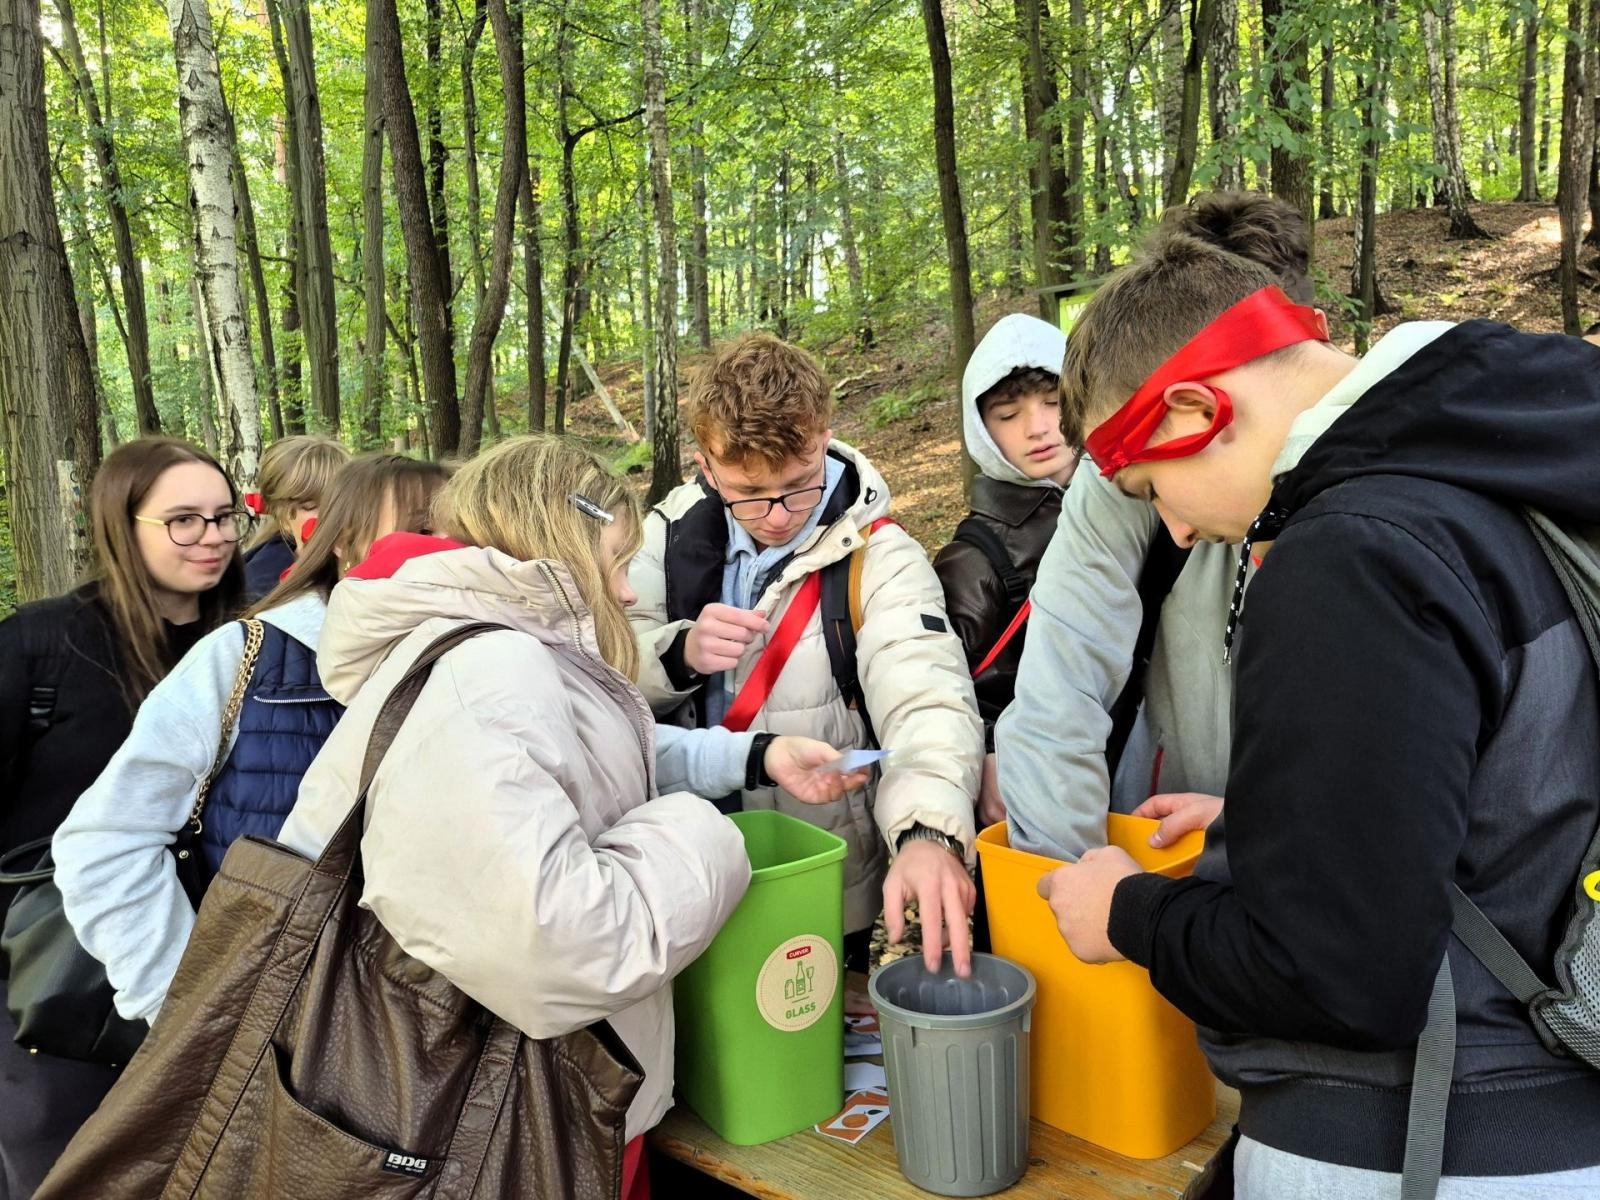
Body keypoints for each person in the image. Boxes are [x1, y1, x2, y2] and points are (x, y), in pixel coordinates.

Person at [1038, 224, 1600, 1194]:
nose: (1173, 528)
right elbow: (1525, 774)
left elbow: (1333, 976)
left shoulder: (1348, 555)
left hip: (1419, 1139)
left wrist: (1125, 912)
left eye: (1149, 489)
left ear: (1187, 410)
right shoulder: (1503, 474)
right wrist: (1282, 818)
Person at [274, 437, 867, 1197]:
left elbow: (582, 759)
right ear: (564, 543)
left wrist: (754, 758)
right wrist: (705, 835)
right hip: (519, 1119)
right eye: (616, 563)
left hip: (519, 1096)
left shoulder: (493, 648)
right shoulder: (492, 673)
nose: (625, 595)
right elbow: (565, 942)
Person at [628, 332, 984, 977]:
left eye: (798, 485)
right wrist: (676, 653)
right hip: (686, 862)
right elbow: (606, 682)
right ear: (706, 465)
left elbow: (925, 692)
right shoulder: (662, 539)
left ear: (823, 438)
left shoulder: (880, 555)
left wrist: (929, 832)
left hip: (821, 865)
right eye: (747, 492)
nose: (777, 515)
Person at [54, 454, 449, 1027]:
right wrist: (186, 1010)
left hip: (431, 1039)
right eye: (420, 527)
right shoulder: (245, 656)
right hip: (270, 1032)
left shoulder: (483, 666)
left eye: (461, 530)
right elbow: (107, 842)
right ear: (342, 540)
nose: (449, 547)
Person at [997, 192, 1314, 860]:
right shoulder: (1119, 471)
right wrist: (1066, 889)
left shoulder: (1372, 491)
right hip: (1160, 830)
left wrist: (1266, 826)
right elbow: (1061, 690)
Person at [0, 438, 246, 1199]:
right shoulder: (41, 644)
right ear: (122, 525)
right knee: (62, 1167)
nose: (211, 537)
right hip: (54, 973)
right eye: (182, 521)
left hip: (212, 959)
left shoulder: (254, 645)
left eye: (223, 517)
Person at [933, 312, 1073, 827]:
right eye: (1008, 414)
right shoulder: (974, 555)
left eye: (1054, 403)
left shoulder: (1137, 500)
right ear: (981, 426)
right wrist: (988, 754)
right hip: (1030, 790)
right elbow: (951, 684)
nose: (1037, 428)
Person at [240, 435, 350, 600]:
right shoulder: (261, 587)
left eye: (342, 503)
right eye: (311, 506)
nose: (332, 516)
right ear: (282, 516)